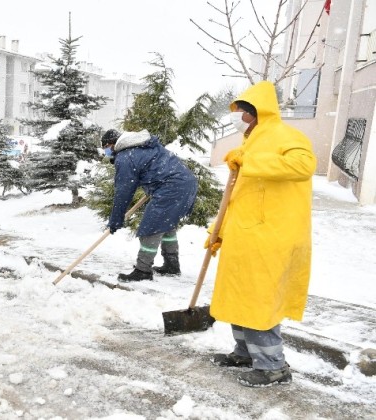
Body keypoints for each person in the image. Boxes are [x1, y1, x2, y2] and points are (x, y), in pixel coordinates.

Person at [208, 81, 316, 387]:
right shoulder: (250, 142)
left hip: (271, 236)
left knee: (258, 303)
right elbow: (240, 196)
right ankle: (245, 353)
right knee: (238, 299)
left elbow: (303, 165)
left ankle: (273, 366)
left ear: (257, 111)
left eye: (242, 111)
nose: (238, 116)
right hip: (246, 236)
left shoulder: (286, 136)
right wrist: (219, 232)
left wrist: (250, 162)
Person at [103, 129, 198, 282]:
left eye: (106, 147)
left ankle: (143, 270)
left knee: (151, 227)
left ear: (113, 144)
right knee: (166, 223)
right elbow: (158, 166)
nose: (106, 151)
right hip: (186, 182)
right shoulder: (144, 146)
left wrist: (116, 219)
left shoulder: (125, 156)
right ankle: (171, 265)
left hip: (171, 186)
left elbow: (123, 191)